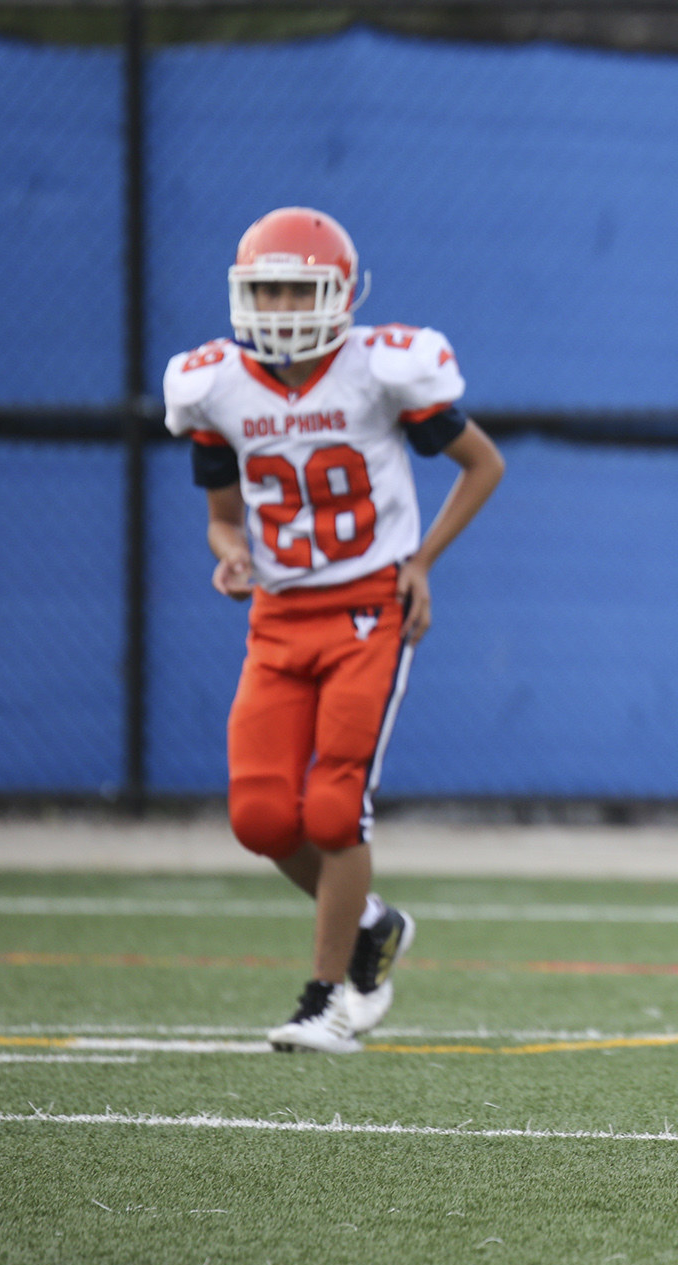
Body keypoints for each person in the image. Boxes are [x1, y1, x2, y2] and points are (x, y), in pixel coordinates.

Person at [162, 207, 505, 1053]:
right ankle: (372, 923)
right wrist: (230, 548)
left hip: (366, 609)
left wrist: (419, 562)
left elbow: (482, 463)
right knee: (260, 816)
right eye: (266, 289)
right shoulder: (213, 384)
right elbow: (221, 515)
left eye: (298, 288)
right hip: (277, 618)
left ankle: (327, 996)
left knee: (333, 807)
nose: (280, 307)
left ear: (341, 293)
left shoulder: (381, 370)